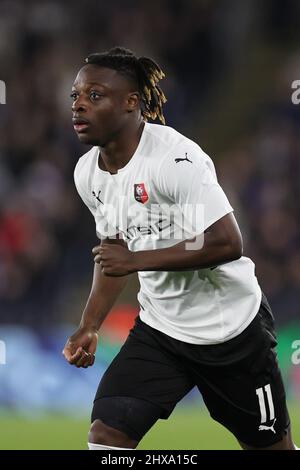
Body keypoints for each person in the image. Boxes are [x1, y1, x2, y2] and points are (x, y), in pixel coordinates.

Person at [63, 47, 297, 450]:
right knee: (107, 436)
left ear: (131, 103)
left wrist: (136, 260)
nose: (79, 105)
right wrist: (89, 324)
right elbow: (112, 255)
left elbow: (227, 241)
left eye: (95, 95)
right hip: (161, 331)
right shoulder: (88, 174)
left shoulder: (174, 159)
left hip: (231, 332)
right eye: (76, 96)